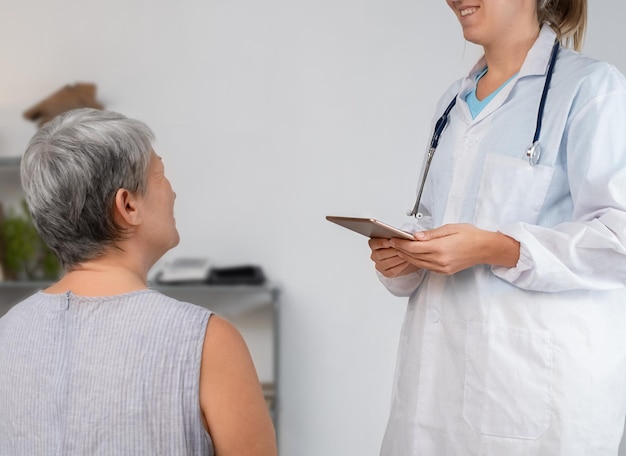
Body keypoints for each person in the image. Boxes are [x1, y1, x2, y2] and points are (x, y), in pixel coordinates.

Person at [369, 0, 626, 454]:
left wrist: (497, 248)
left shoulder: (591, 89)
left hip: (531, 402)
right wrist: (405, 258)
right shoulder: (452, 103)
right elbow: (432, 220)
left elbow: (618, 239)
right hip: (432, 395)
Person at [0, 108, 277, 456]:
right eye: (160, 175)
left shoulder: (7, 333)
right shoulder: (206, 341)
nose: (172, 193)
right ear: (128, 205)